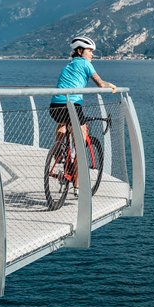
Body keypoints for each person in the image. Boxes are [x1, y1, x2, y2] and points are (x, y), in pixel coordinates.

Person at [49, 36, 117, 193]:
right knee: (80, 143)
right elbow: (100, 83)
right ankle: (78, 185)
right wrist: (111, 85)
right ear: (80, 51)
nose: (92, 54)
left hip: (54, 106)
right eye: (90, 51)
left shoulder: (68, 66)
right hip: (72, 105)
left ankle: (57, 151)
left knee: (63, 124)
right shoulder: (86, 64)